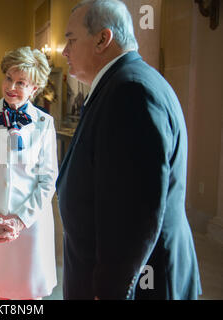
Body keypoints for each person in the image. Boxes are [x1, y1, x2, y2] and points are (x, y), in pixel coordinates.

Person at [56, 0, 201, 300]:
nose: (64, 51)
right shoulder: (120, 83)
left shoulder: (130, 91)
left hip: (139, 284)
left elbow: (136, 213)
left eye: (70, 40)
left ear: (102, 39)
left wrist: (109, 290)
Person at [0, 46, 58, 300]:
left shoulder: (44, 123)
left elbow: (47, 179)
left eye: (21, 82)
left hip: (30, 225)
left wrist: (20, 220)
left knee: (29, 294)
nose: (12, 86)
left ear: (34, 88)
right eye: (9, 78)